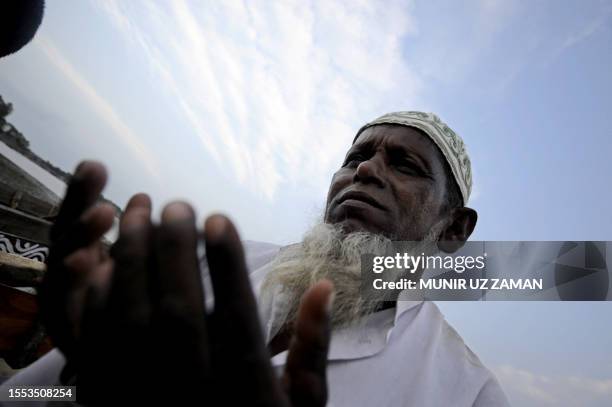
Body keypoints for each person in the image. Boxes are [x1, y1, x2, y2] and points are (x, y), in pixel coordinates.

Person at [0, 112, 510, 406]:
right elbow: (27, 396)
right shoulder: (219, 263)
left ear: (454, 229)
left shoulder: (466, 394)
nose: (366, 171)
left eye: (404, 164)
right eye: (355, 159)